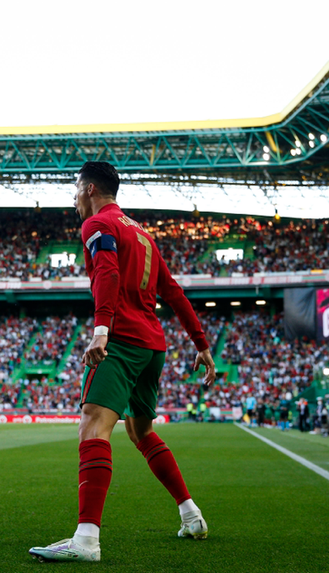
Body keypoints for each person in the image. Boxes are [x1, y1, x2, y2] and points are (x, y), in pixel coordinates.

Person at [29, 162, 216, 563]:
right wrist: (201, 343)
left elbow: (108, 273)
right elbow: (173, 291)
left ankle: (86, 541)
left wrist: (102, 331)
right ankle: (191, 514)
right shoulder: (143, 234)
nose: (74, 199)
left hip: (124, 340)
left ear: (90, 188)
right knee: (142, 431)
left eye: (75, 190)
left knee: (93, 425)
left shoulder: (98, 224)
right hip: (153, 347)